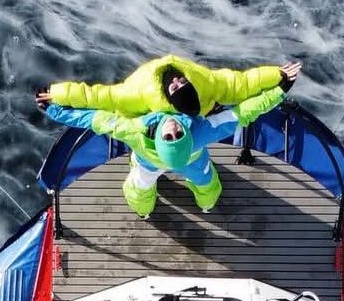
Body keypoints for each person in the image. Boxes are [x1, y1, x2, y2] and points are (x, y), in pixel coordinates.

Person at [39, 84, 288, 216]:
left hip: (149, 163)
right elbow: (243, 113)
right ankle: (206, 206)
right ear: (187, 138)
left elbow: (93, 119)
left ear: (159, 140)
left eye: (169, 136)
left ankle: (144, 212)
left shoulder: (132, 131)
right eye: (178, 135)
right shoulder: (201, 132)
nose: (173, 128)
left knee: (139, 189)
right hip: (193, 162)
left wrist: (53, 110)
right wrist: (279, 91)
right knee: (207, 184)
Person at [36, 54, 301, 119]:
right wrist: (57, 94)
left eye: (180, 82)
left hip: (198, 111)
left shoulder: (205, 82)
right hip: (150, 117)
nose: (176, 80)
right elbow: (96, 96)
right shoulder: (134, 94)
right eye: (177, 84)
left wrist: (276, 75)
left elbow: (241, 83)